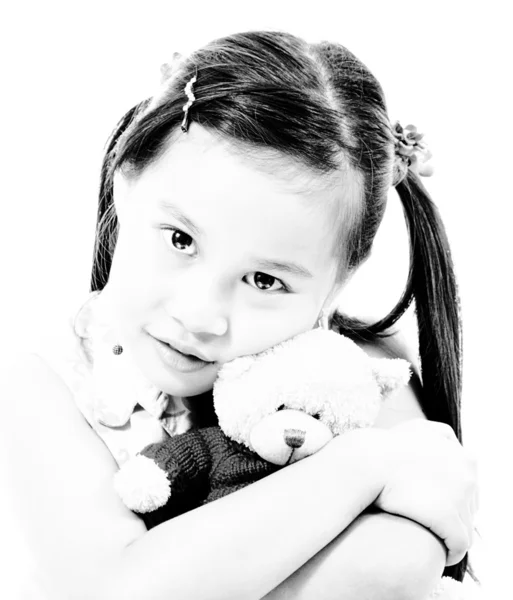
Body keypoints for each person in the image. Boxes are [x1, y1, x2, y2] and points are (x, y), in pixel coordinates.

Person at [1, 30, 478, 600]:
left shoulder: (358, 378)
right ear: (124, 181)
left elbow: (396, 564)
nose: (201, 315)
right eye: (180, 239)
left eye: (265, 280)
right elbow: (115, 591)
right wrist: (363, 463)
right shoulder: (47, 384)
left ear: (341, 279)